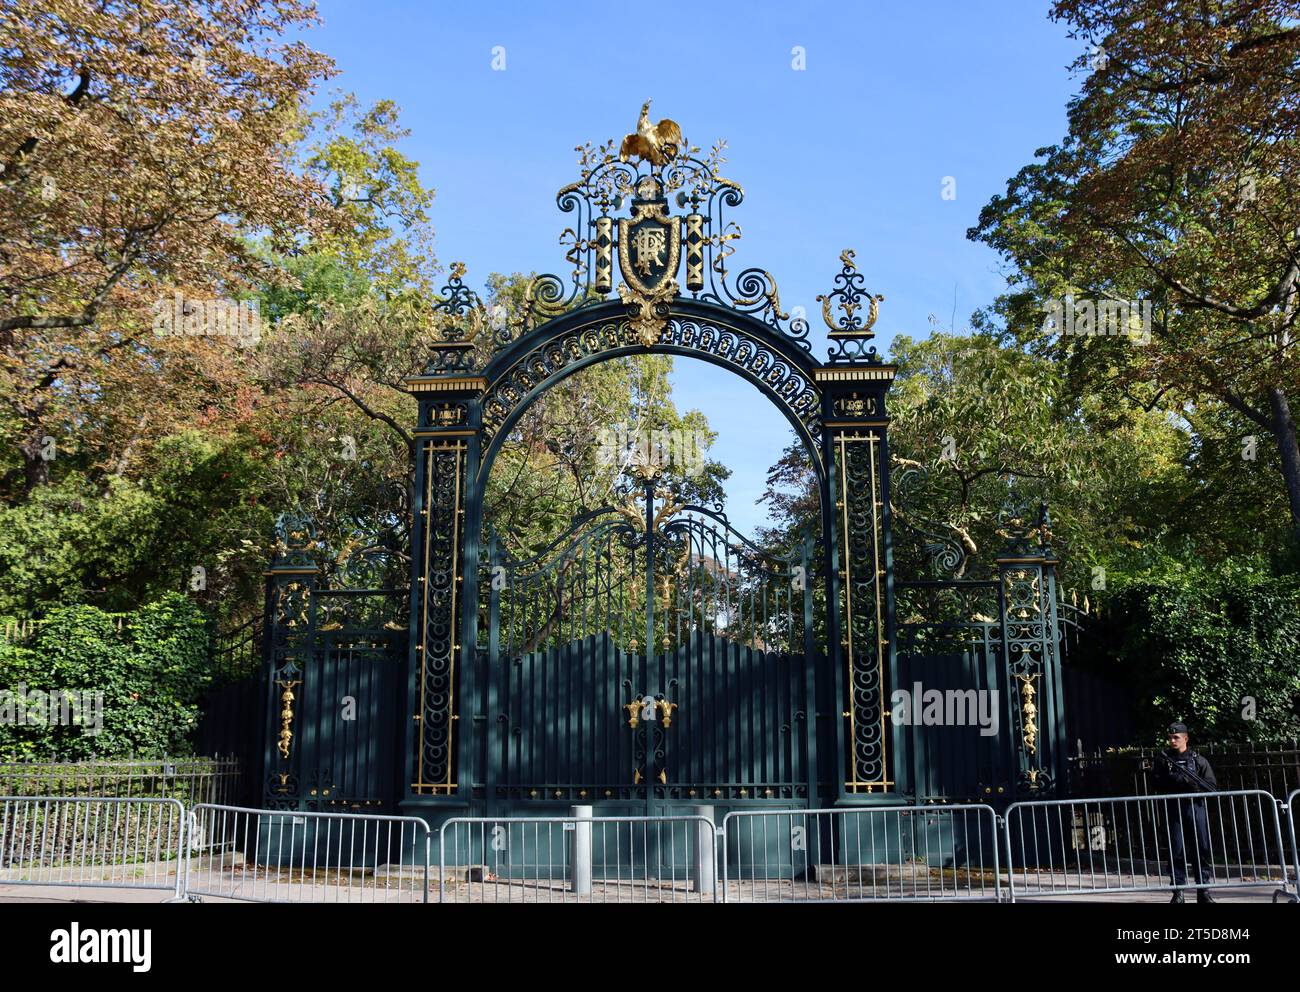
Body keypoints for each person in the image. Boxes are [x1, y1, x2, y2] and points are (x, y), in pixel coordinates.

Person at [1153, 722, 1217, 904]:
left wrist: (1193, 786)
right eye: (1170, 737)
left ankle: (1203, 890)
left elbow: (1211, 786)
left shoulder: (1199, 760)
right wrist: (1173, 779)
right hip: (1173, 808)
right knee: (1176, 849)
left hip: (1195, 808)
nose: (1172, 740)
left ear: (1186, 738)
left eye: (1176, 737)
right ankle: (1178, 891)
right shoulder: (1163, 760)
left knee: (1201, 848)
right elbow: (1156, 783)